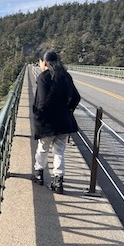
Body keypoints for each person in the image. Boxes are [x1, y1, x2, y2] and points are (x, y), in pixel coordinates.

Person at [32, 50, 81, 194]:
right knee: (59, 151)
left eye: (40, 62)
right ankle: (58, 181)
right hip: (63, 121)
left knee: (42, 148)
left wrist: (39, 118)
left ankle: (38, 174)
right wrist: (68, 110)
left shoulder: (44, 78)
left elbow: (42, 102)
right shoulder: (65, 76)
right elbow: (76, 97)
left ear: (44, 62)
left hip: (48, 122)